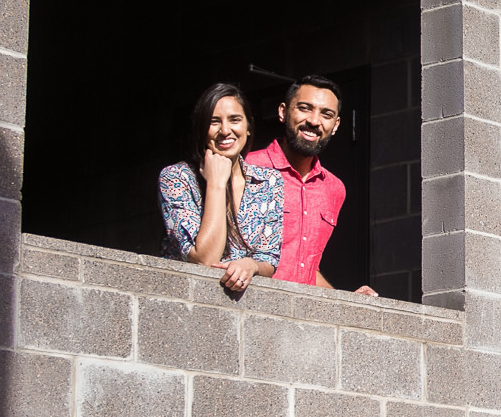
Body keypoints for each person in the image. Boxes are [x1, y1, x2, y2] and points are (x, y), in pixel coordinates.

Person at [245, 74, 377, 296]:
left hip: (302, 318)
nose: (314, 121)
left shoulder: (334, 189)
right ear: (283, 112)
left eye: (326, 114)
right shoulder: (248, 167)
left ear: (335, 126)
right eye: (305, 108)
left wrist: (346, 300)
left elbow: (305, 269)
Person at [158, 83, 283, 294]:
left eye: (235, 120)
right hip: (183, 298)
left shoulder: (269, 181)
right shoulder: (176, 178)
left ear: (248, 126)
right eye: (214, 122)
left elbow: (268, 258)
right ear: (201, 130)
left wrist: (250, 265)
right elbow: (204, 259)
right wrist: (216, 184)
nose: (225, 131)